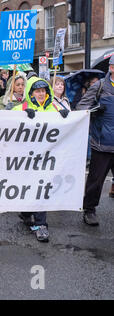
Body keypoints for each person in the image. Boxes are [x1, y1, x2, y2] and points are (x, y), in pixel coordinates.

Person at [11, 76, 69, 241]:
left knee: (41, 189)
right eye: (37, 91)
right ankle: (26, 211)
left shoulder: (56, 109)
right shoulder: (19, 108)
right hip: (25, 158)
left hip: (46, 158)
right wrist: (22, 116)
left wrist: (66, 117)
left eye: (43, 90)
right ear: (31, 92)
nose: (41, 93)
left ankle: (41, 224)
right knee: (27, 187)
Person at [76, 55, 114, 226]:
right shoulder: (99, 86)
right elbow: (81, 107)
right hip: (102, 143)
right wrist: (94, 110)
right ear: (111, 68)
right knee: (96, 181)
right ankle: (89, 209)